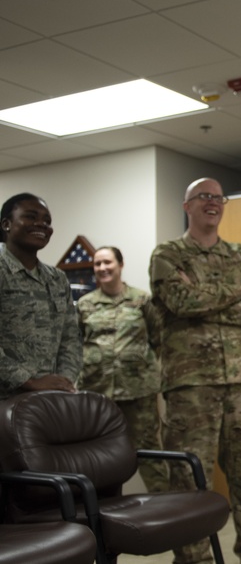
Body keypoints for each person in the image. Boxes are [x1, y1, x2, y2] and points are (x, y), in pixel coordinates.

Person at [148, 178, 241, 564]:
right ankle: (193, 558)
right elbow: (177, 298)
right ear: (186, 205)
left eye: (218, 197)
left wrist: (205, 297)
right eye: (203, 196)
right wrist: (233, 292)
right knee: (189, 479)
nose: (212, 202)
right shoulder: (168, 254)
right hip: (191, 386)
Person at [77, 245, 168, 492]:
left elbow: (158, 338)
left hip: (138, 390)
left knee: (149, 450)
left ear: (120, 265)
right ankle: (100, 506)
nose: (102, 268)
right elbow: (76, 344)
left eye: (107, 262)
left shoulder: (141, 299)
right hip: (97, 392)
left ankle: (164, 506)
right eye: (97, 264)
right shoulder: (84, 305)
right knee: (97, 454)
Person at [0, 193, 81, 401]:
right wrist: (28, 382)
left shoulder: (57, 278)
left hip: (49, 399)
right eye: (31, 216)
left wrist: (63, 381)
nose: (42, 224)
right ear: (6, 224)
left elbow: (70, 338)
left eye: (47, 221)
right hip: (5, 399)